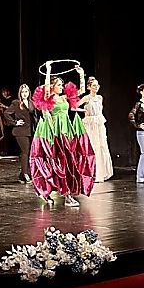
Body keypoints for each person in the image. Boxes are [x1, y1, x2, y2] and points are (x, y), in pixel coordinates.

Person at [30, 61, 96, 206]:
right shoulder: (49, 97)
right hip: (55, 132)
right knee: (55, 163)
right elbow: (46, 87)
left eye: (61, 85)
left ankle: (68, 195)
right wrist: (48, 70)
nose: (61, 87)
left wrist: (81, 74)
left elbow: (81, 91)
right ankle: (52, 193)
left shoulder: (64, 98)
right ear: (53, 86)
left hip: (67, 131)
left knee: (69, 163)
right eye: (59, 85)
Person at [78, 76, 114, 182]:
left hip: (99, 124)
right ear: (89, 87)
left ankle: (100, 173)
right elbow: (73, 106)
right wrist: (83, 111)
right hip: (90, 124)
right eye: (94, 85)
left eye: (97, 85)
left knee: (101, 146)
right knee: (92, 147)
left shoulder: (99, 98)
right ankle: (91, 173)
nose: (96, 87)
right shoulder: (86, 98)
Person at [3, 84, 36, 183]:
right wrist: (15, 122)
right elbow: (6, 113)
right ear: (20, 93)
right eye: (22, 92)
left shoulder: (31, 103)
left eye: (26, 91)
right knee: (25, 152)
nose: (24, 94)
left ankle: (22, 175)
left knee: (29, 152)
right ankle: (25, 174)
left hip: (31, 131)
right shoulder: (16, 103)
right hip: (20, 131)